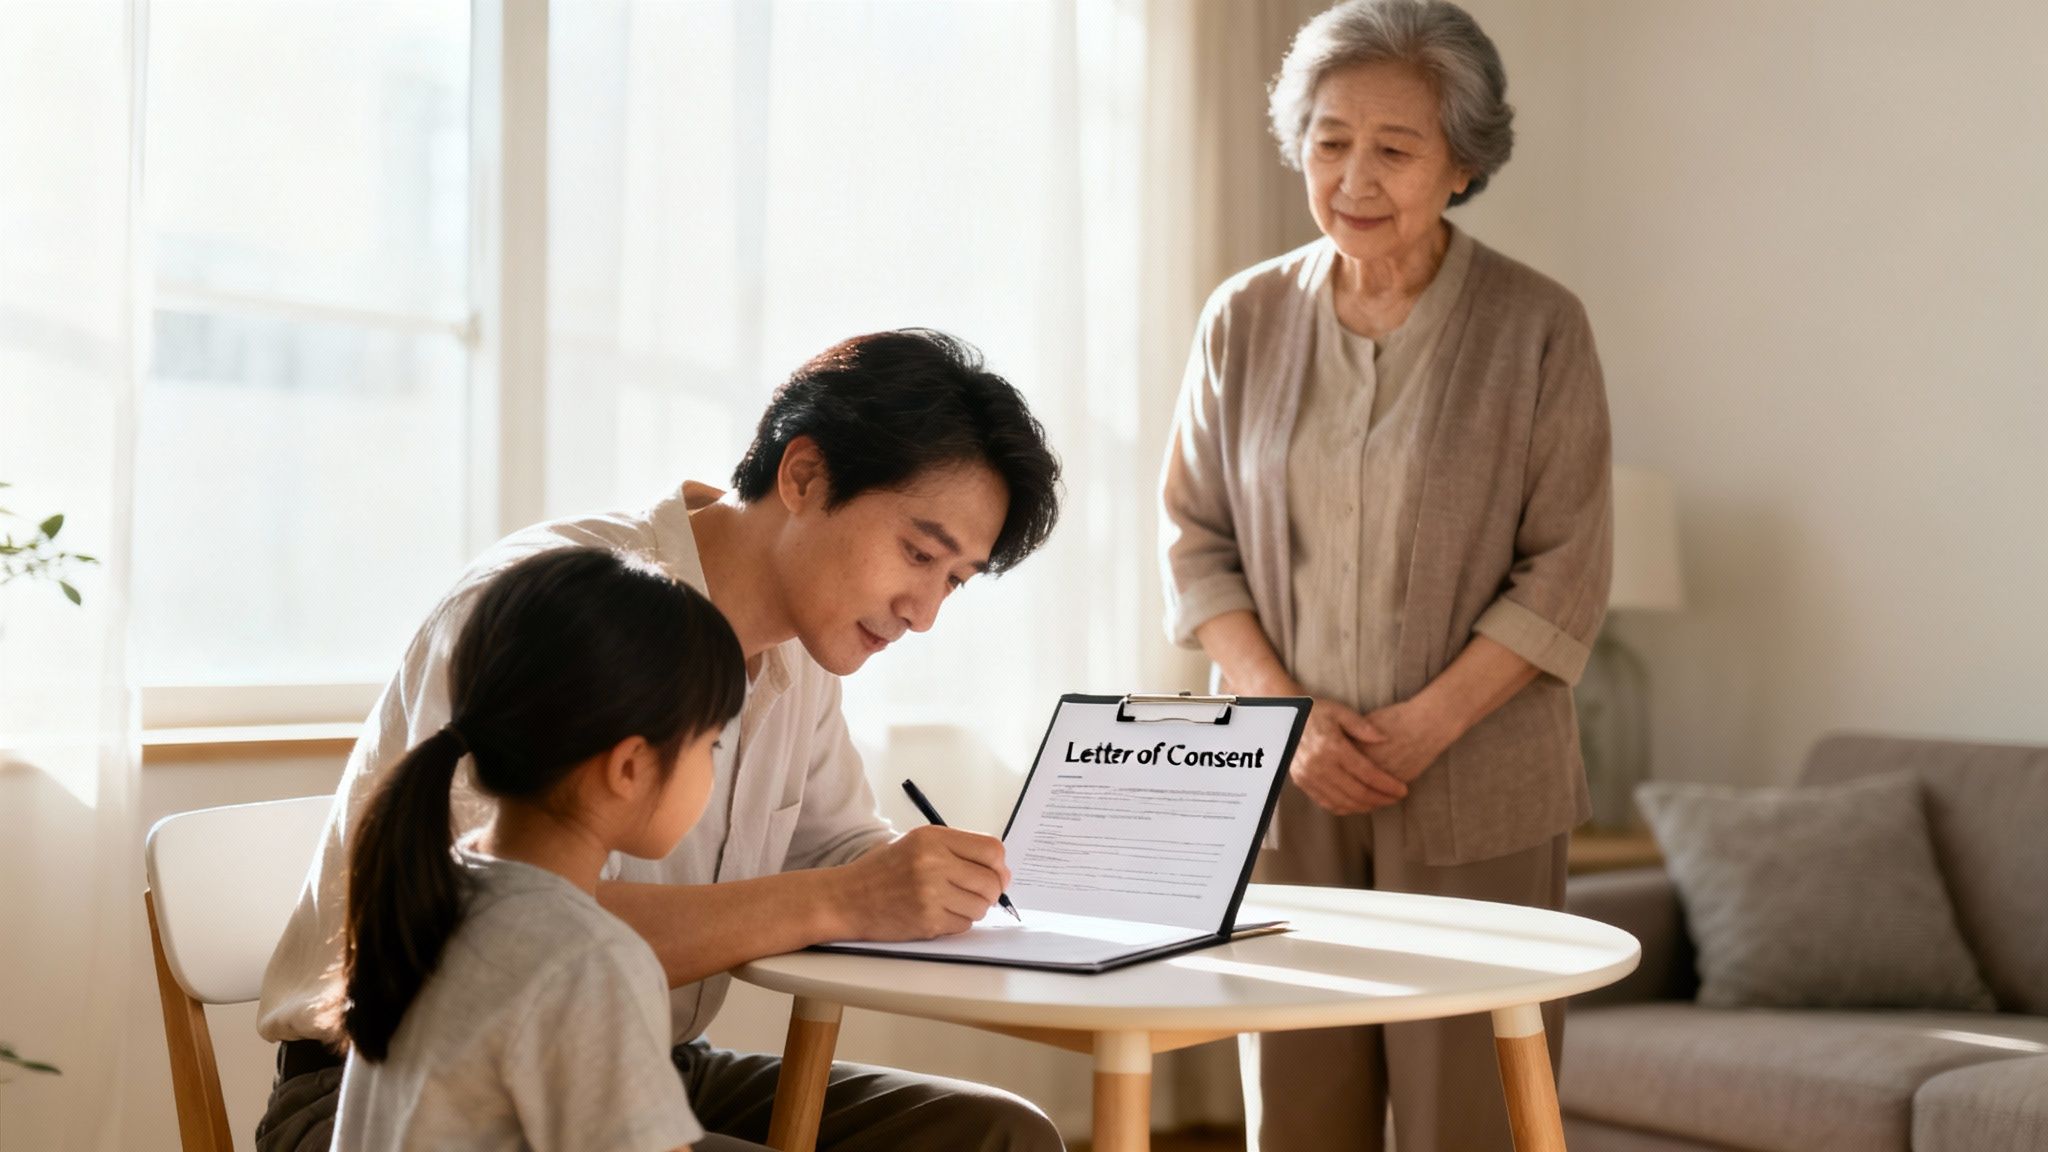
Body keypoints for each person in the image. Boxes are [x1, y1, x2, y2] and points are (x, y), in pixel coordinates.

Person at [257, 329, 1066, 1152]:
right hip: (395, 1089)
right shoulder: (567, 608)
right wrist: (850, 898)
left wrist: (930, 881)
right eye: (918, 553)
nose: (923, 612)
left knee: (1002, 1138)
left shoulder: (810, 646)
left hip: (642, 1057)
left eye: (953, 582)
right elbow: (499, 930)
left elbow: (838, 851)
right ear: (804, 475)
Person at [1157, 2, 1612, 1149]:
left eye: (1393, 148)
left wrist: (1419, 728)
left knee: (1472, 1114)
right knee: (1298, 1111)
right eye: (1327, 140)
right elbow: (1192, 537)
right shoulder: (1240, 319)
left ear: (1461, 163)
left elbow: (1564, 568)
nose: (1352, 175)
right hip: (1280, 775)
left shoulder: (1538, 328)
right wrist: (1282, 714)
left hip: (1479, 776)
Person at [331, 547, 745, 1151]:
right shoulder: (588, 962)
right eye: (710, 744)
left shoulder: (436, 889)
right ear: (629, 767)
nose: (713, 765)